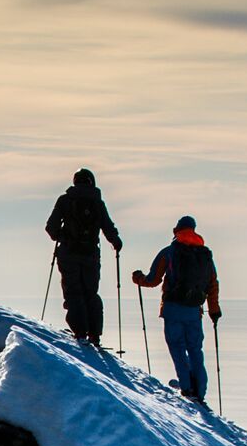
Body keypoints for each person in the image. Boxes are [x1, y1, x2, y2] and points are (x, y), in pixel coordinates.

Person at [133, 216, 222, 404]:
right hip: (194, 312)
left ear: (176, 231)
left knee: (177, 348)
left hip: (173, 310)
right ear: (194, 230)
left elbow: (153, 280)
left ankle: (187, 387)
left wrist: (138, 278)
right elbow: (212, 284)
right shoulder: (204, 255)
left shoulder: (169, 252)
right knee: (195, 349)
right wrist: (214, 310)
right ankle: (200, 390)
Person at [44, 169, 123, 344]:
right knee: (90, 292)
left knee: (73, 292)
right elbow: (108, 227)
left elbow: (51, 228)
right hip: (90, 255)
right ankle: (95, 334)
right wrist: (116, 241)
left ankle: (80, 333)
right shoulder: (97, 203)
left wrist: (63, 237)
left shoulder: (65, 200)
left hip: (69, 254)